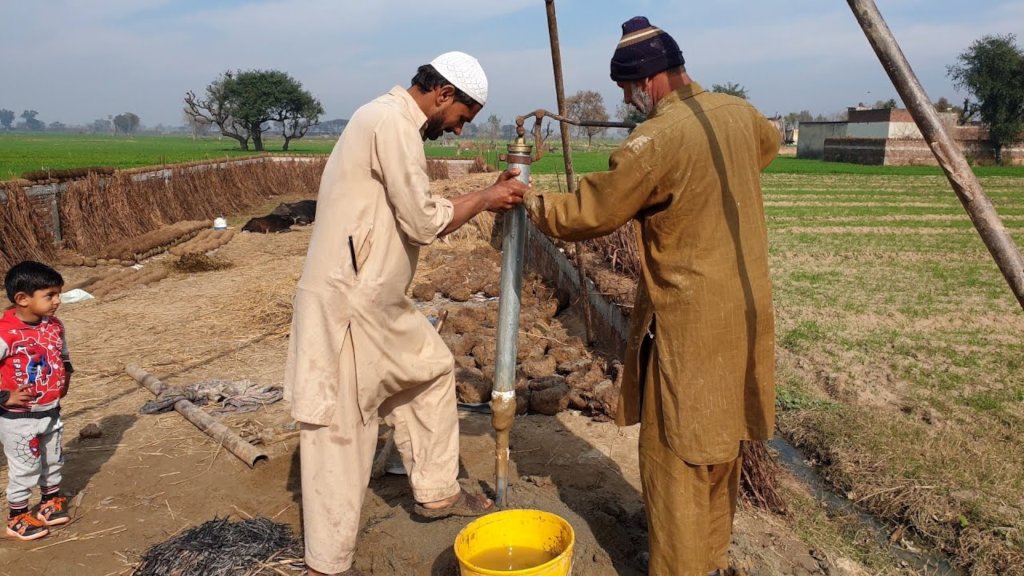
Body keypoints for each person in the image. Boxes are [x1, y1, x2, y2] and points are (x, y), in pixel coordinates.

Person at [524, 17, 778, 576]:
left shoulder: (654, 141)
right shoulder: (740, 114)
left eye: (626, 91)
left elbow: (595, 211)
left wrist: (531, 202)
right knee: (721, 446)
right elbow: (769, 144)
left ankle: (680, 567)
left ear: (649, 82)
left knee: (677, 456)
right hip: (744, 313)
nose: (628, 102)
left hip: (688, 320)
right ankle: (709, 559)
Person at [284, 51, 528, 576]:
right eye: (462, 117)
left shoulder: (392, 123)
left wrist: (485, 196)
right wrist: (487, 196)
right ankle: (327, 563)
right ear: (442, 95)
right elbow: (422, 220)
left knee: (431, 370)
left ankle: (437, 492)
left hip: (376, 298)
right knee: (341, 429)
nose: (460, 130)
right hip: (348, 300)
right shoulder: (390, 122)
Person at [1, 261, 74, 541]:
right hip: (18, 419)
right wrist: (5, 396)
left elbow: (63, 354)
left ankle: (49, 502)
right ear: (22, 299)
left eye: (59, 294)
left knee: (53, 459)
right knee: (25, 467)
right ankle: (16, 517)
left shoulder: (54, 326)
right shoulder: (5, 333)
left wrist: (65, 377)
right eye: (50, 295)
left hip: (51, 411)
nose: (58, 301)